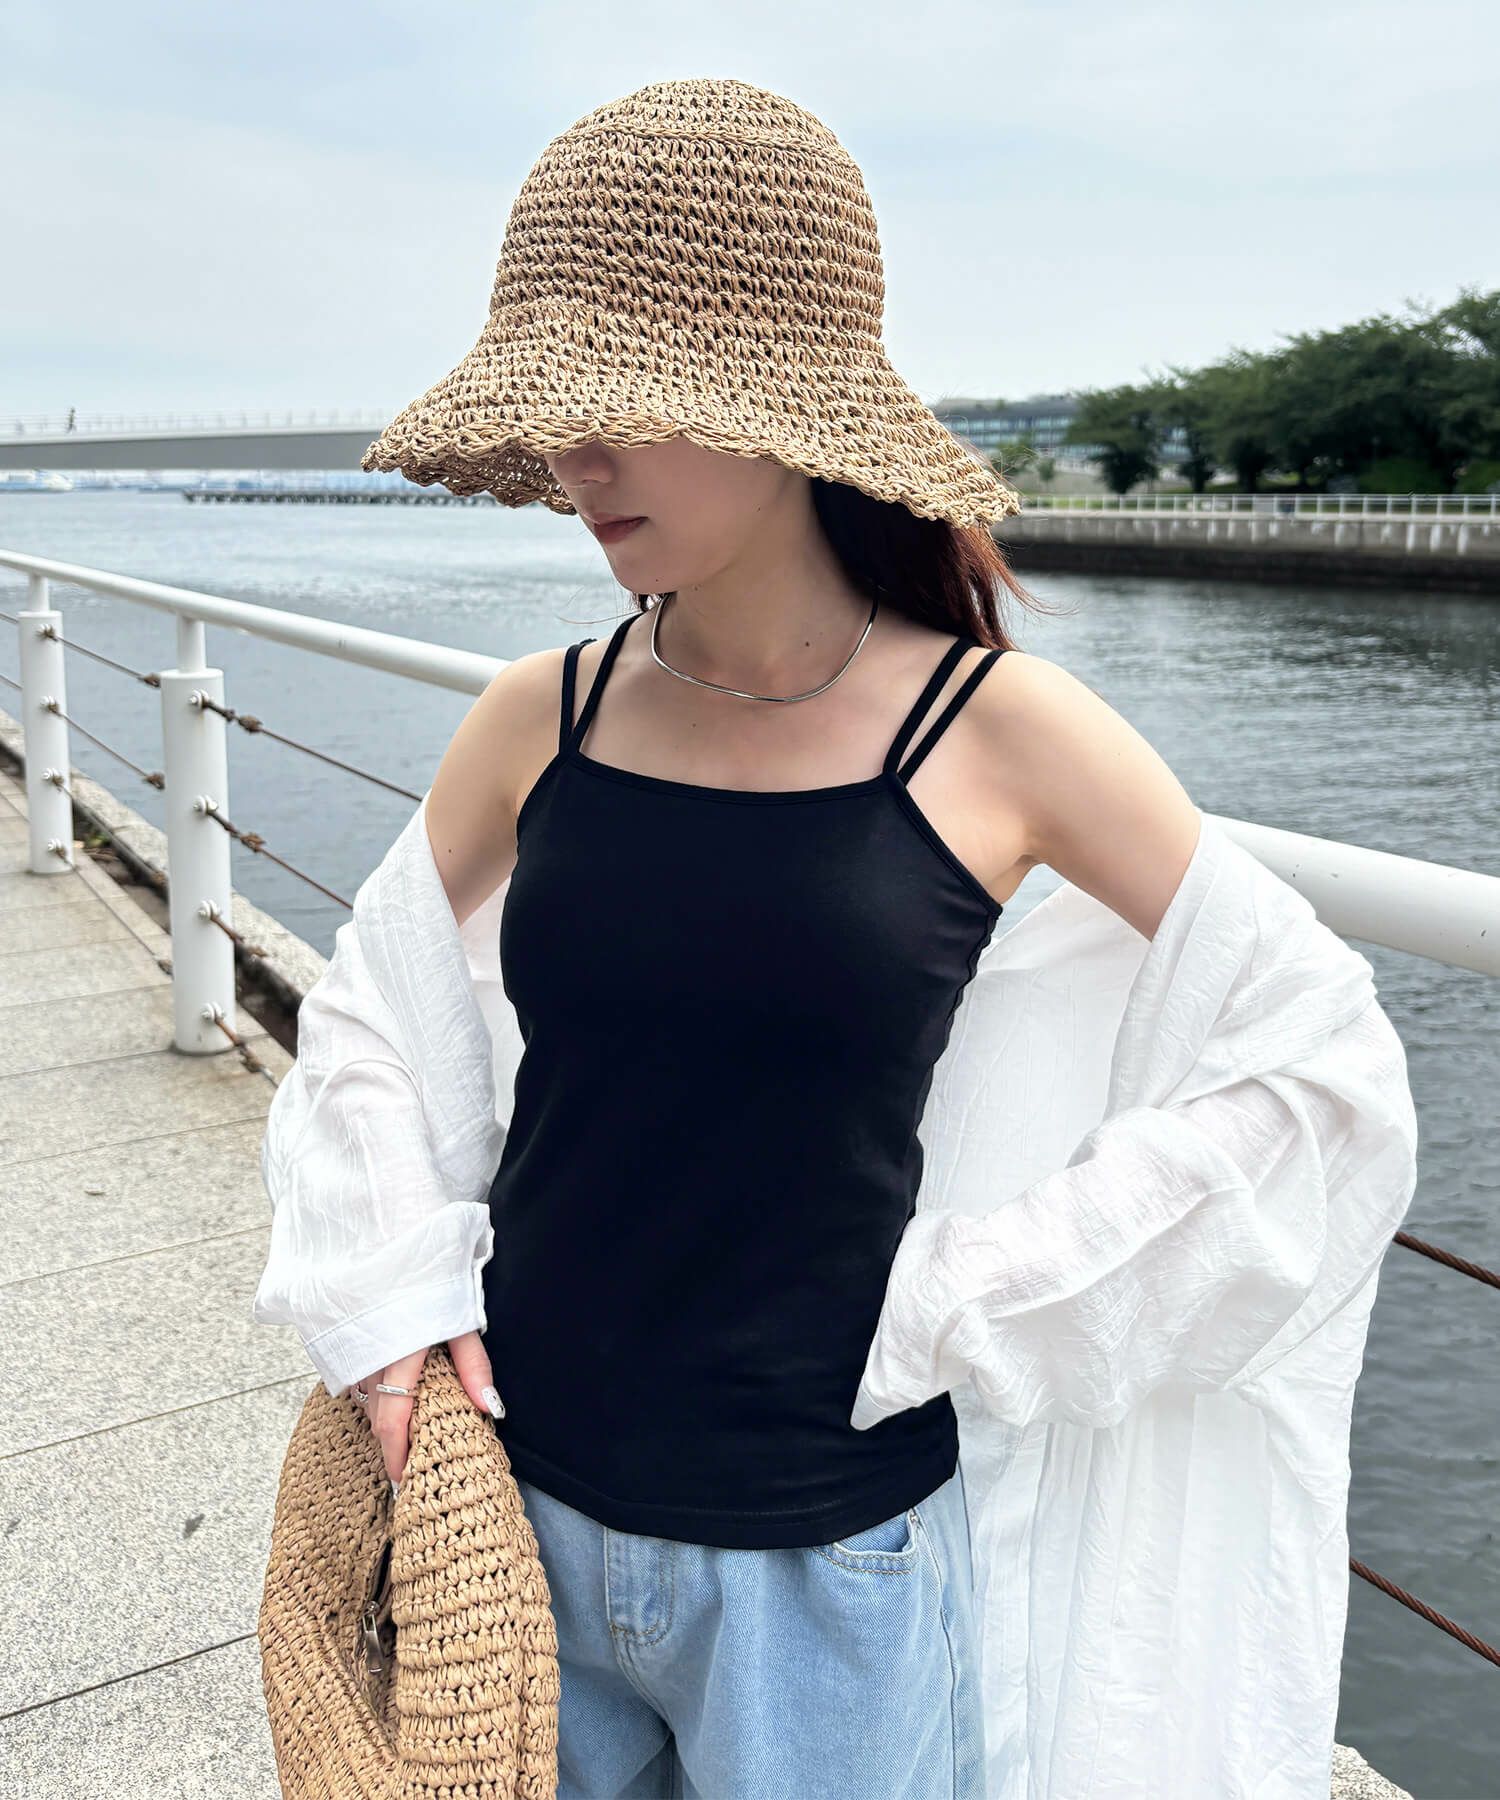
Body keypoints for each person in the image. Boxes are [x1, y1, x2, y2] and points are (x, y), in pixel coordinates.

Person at [254, 79, 1418, 1800]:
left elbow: (1317, 1061)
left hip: (831, 1571)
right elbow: (374, 1015)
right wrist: (390, 1306)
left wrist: (960, 1305)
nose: (576, 456)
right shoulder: (536, 717)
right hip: (517, 1532)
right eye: (554, 404)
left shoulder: (1000, 734)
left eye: (620, 399)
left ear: (776, 404)